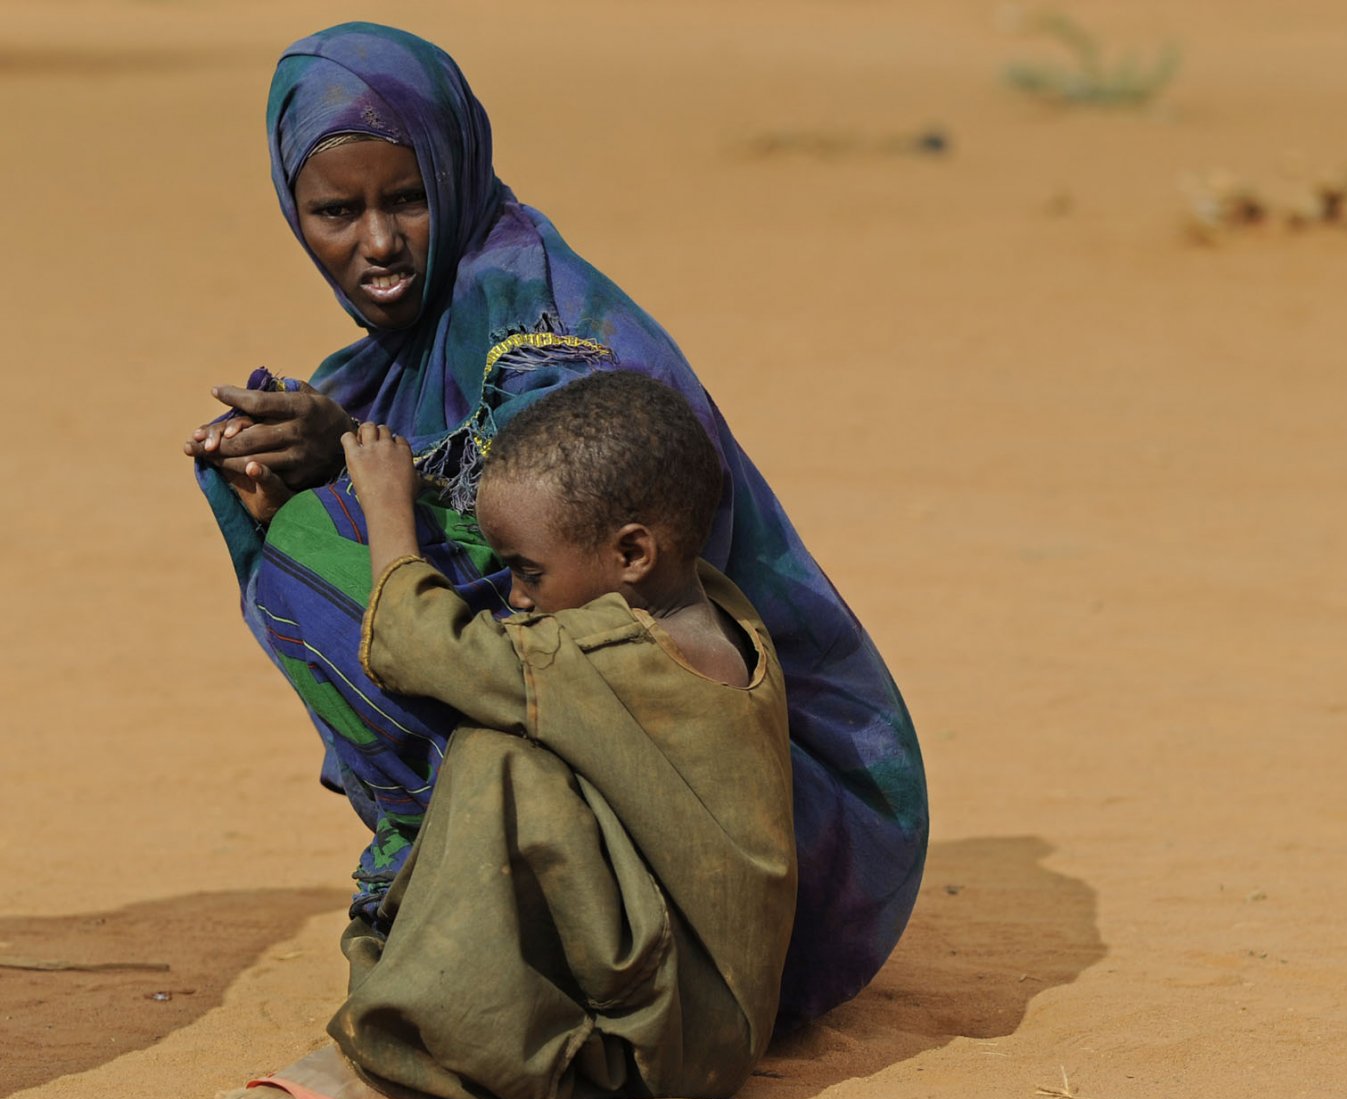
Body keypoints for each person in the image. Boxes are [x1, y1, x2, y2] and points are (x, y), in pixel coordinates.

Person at [184, 22, 925, 1025]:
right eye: (334, 211)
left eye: (405, 198)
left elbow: (596, 574)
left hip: (763, 815)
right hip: (608, 741)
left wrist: (366, 493)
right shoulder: (382, 367)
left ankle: (521, 920)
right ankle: (457, 871)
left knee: (335, 553)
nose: (378, 244)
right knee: (303, 535)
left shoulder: (541, 322)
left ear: (453, 167)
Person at [197, 372, 796, 1099]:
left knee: (495, 760)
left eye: (529, 571)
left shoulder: (600, 655)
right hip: (704, 1023)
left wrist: (385, 509)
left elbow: (415, 646)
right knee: (528, 761)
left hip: (660, 1042)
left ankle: (398, 1064)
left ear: (633, 553)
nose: (514, 595)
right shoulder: (716, 613)